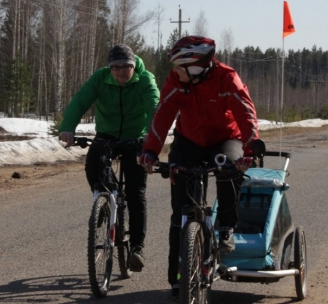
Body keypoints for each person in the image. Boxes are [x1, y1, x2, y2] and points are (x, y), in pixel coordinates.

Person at [139, 35, 259, 300]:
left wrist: (250, 150)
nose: (174, 71)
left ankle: (226, 226)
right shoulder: (176, 81)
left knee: (229, 168)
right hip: (189, 140)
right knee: (180, 211)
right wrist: (150, 150)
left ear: (195, 67)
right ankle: (177, 278)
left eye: (179, 67)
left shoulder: (227, 78)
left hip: (225, 139)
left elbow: (246, 113)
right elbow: (163, 115)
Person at [58, 44, 160, 272]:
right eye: (116, 67)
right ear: (110, 68)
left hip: (136, 137)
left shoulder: (145, 80)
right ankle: (105, 203)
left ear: (134, 65)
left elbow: (154, 106)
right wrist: (67, 127)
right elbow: (80, 101)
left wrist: (150, 137)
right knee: (92, 166)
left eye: (127, 66)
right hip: (107, 134)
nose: (122, 71)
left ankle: (137, 249)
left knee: (136, 193)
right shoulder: (100, 79)